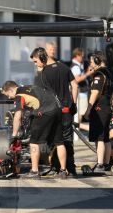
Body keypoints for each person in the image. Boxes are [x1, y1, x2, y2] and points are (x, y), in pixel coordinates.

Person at [2, 80, 64, 179]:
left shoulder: (19, 95)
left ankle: (34, 171)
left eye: (8, 95)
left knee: (34, 142)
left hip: (44, 112)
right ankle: (63, 171)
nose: (9, 97)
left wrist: (14, 135)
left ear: (11, 90)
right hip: (58, 109)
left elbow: (18, 115)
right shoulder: (30, 87)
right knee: (59, 142)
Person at [34, 43, 78, 177]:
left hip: (52, 112)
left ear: (43, 57)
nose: (36, 65)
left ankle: (54, 166)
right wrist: (73, 103)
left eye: (36, 62)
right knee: (67, 141)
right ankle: (70, 168)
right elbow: (74, 85)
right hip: (66, 110)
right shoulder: (64, 67)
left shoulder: (43, 74)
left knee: (52, 141)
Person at [84, 51, 113, 172]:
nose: (90, 64)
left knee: (99, 138)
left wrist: (88, 109)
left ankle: (100, 164)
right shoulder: (108, 73)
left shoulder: (99, 74)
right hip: (107, 107)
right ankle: (106, 163)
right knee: (105, 138)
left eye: (91, 61)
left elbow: (95, 92)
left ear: (97, 61)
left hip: (99, 109)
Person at [70, 48, 94, 123]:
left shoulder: (79, 65)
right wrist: (88, 73)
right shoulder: (75, 67)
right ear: (77, 55)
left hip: (82, 93)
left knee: (81, 114)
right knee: (80, 114)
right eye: (82, 57)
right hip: (80, 94)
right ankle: (77, 131)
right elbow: (77, 79)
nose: (83, 58)